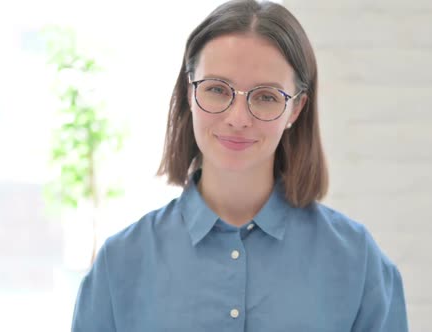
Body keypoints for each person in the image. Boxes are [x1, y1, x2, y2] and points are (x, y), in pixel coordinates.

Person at [71, 0, 409, 331]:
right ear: (190, 93)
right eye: (217, 89)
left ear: (296, 109)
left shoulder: (357, 261)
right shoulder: (120, 264)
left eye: (266, 96)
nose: (238, 118)